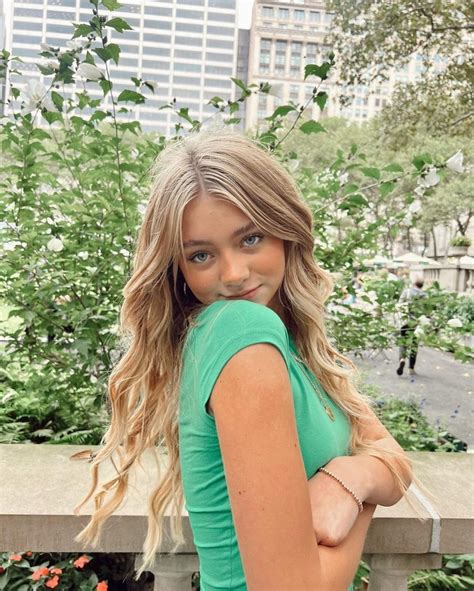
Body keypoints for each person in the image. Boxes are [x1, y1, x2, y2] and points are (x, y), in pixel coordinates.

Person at [73, 129, 416, 590]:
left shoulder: (291, 345)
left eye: (250, 238)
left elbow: (394, 461)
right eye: (201, 255)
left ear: (285, 230)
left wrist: (348, 479)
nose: (234, 274)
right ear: (178, 269)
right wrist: (363, 506)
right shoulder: (239, 330)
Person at [396, 276, 427, 377]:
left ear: (414, 283)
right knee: (414, 345)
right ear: (422, 285)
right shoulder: (425, 295)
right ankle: (411, 368)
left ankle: (402, 359)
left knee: (403, 342)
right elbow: (427, 311)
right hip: (417, 323)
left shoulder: (407, 292)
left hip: (406, 321)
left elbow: (399, 305)